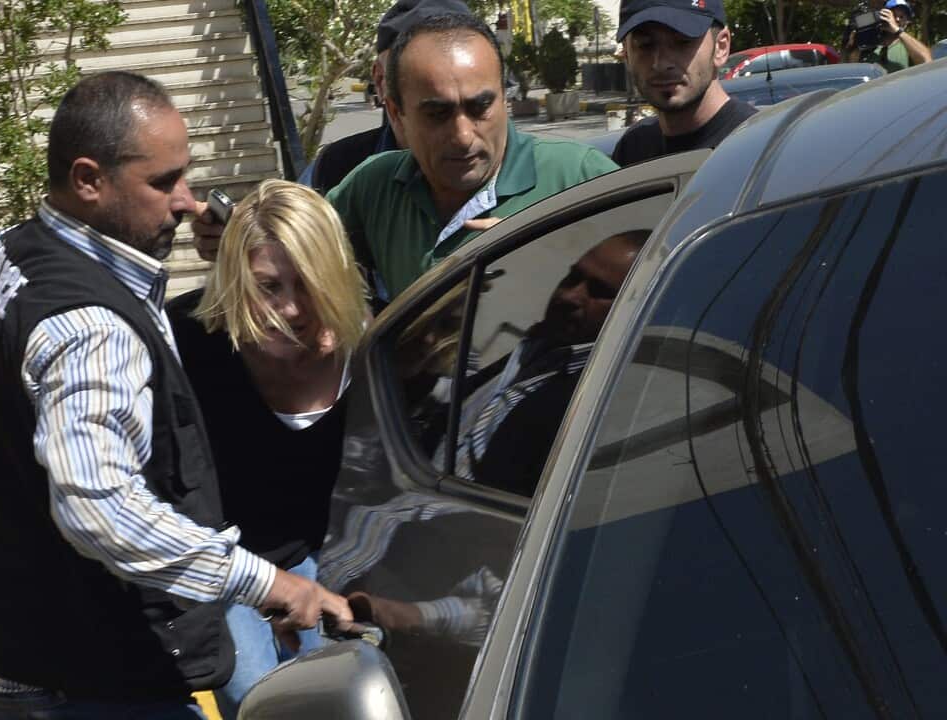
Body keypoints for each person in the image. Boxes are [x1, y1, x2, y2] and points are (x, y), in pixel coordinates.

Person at [0, 72, 351, 718]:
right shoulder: (93, 326)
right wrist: (266, 583)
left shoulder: (9, 254)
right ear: (89, 180)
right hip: (80, 677)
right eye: (162, 182)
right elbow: (102, 512)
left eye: (185, 176)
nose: (186, 201)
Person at [201, 13, 617, 303]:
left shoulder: (579, 177)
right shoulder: (373, 187)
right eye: (437, 114)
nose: (462, 135)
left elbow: (659, 286)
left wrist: (556, 259)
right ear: (396, 113)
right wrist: (236, 237)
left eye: (479, 107)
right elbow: (299, 252)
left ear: (505, 100)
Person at [166, 179, 369, 716]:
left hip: (346, 562)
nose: (293, 309)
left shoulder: (372, 348)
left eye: (308, 285)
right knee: (262, 701)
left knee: (339, 696)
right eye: (268, 288)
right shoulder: (186, 344)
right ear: (233, 281)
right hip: (232, 567)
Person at [458, 231, 649, 495]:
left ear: (637, 308)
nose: (569, 296)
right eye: (573, 277)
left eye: (600, 291)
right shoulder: (535, 349)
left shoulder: (594, 399)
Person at [302, 0, 471, 194]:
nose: (441, 88)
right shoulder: (334, 169)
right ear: (380, 80)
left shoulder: (508, 169)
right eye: (416, 72)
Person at [612, 0, 757, 167]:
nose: (661, 64)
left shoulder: (757, 144)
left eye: (682, 42)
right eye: (645, 45)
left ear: (721, 47)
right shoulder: (632, 149)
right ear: (626, 55)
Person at [843, 0, 931, 72]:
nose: (897, 19)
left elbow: (926, 61)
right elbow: (851, 70)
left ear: (907, 22)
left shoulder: (909, 45)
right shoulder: (868, 40)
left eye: (902, 16)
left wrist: (897, 30)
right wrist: (853, 45)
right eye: (893, 15)